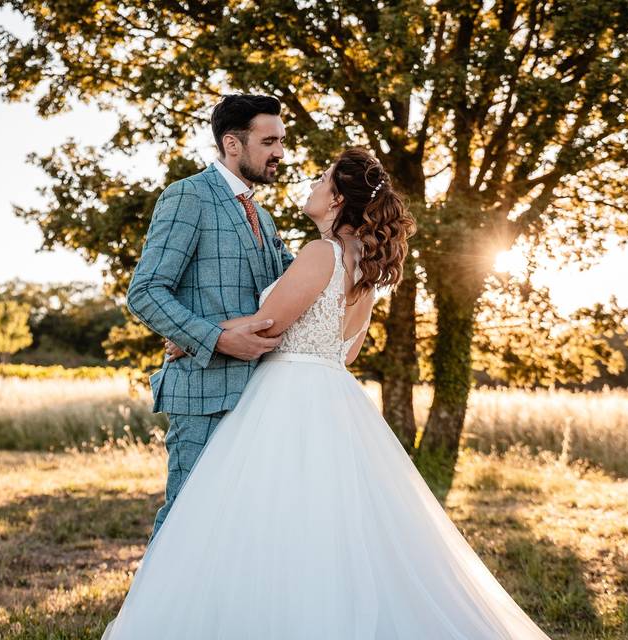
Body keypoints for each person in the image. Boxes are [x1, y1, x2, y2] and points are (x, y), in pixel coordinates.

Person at [104, 146, 553, 639]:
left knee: (262, 517)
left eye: (322, 178)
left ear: (338, 198)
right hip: (334, 394)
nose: (312, 184)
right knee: (323, 520)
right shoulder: (367, 265)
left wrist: (189, 338)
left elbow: (268, 324)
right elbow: (349, 351)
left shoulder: (323, 253)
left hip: (288, 394)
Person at [125, 94, 295, 542]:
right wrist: (217, 339)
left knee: (240, 532)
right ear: (232, 144)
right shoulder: (187, 197)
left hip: (259, 397)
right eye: (269, 141)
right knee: (187, 523)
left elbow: (293, 291)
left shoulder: (262, 215)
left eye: (281, 140)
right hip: (202, 396)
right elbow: (144, 292)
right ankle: (154, 615)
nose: (280, 152)